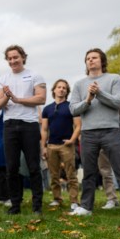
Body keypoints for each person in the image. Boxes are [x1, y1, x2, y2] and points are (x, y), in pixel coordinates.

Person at [69, 49, 120, 219]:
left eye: (94, 58)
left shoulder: (114, 79)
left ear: (102, 61)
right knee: (89, 173)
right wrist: (88, 100)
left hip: (111, 131)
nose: (91, 60)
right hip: (88, 133)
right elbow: (73, 109)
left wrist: (99, 93)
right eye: (88, 58)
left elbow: (119, 103)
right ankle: (86, 207)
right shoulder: (79, 84)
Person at [0, 45, 47, 214]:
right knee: (12, 167)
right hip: (9, 126)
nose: (13, 61)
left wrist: (17, 99)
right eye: (9, 58)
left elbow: (41, 98)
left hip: (29, 124)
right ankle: (15, 204)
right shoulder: (2, 79)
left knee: (33, 166)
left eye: (15, 57)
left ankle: (37, 205)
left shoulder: (34, 75)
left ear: (23, 57)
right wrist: (7, 97)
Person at [41, 79, 81, 209]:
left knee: (71, 174)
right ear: (54, 90)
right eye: (59, 87)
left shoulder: (71, 107)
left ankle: (74, 201)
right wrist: (44, 147)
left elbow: (78, 126)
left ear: (67, 91)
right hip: (51, 145)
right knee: (54, 175)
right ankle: (57, 199)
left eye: (64, 88)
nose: (61, 89)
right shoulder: (47, 109)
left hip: (67, 145)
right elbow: (44, 129)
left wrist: (72, 140)